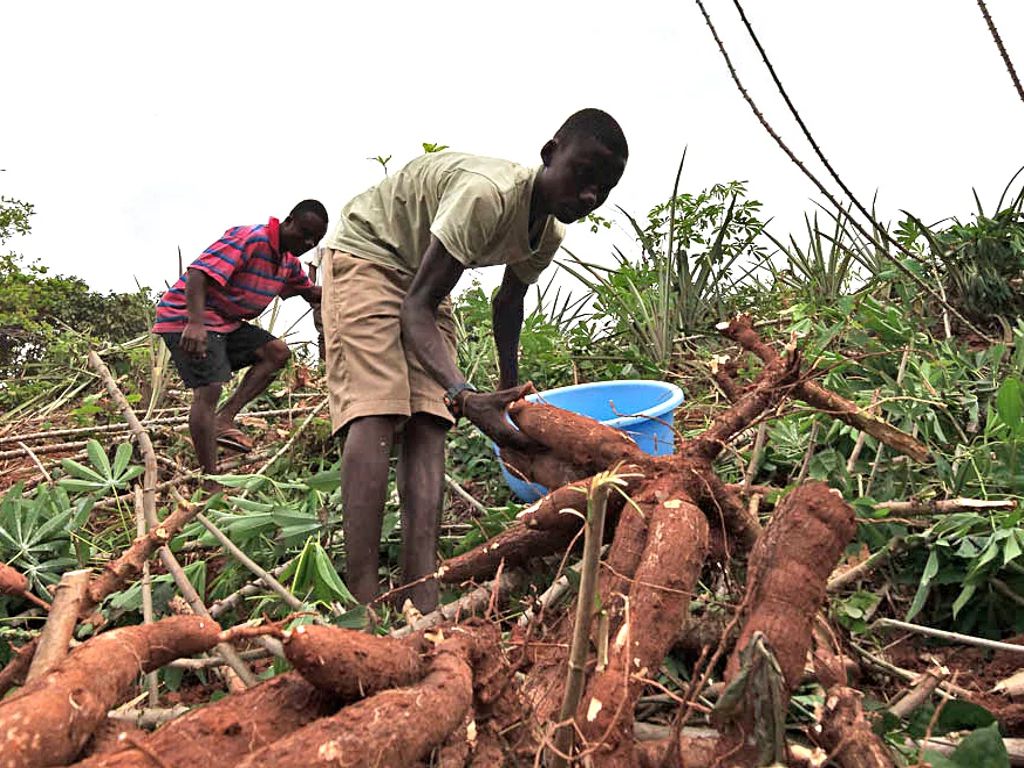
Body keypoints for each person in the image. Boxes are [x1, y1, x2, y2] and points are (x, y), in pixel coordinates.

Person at [321, 109, 628, 610]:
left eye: (605, 187)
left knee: (430, 419)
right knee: (378, 409)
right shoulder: (488, 196)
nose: (591, 195)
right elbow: (415, 309)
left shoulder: (549, 232)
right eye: (583, 174)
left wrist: (508, 397)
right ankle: (363, 598)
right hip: (369, 253)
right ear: (550, 154)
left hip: (423, 277)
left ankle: (420, 589)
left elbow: (508, 303)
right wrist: (465, 395)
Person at [153, 200, 329, 479]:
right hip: (187, 318)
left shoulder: (287, 263)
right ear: (289, 221)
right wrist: (195, 324)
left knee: (276, 352)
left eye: (315, 240)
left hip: (226, 323)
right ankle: (210, 479)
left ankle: (224, 419)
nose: (308, 242)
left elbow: (311, 293)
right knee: (209, 388)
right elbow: (198, 273)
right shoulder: (252, 239)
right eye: (305, 233)